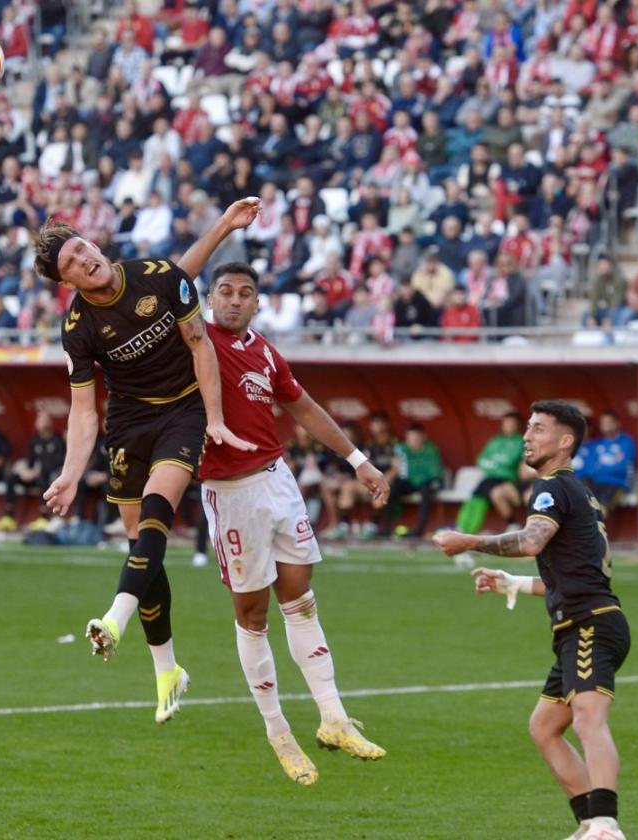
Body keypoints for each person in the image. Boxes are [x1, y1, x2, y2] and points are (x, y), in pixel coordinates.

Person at [39, 198, 260, 724]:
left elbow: (200, 344)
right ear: (66, 281)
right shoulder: (78, 329)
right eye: (70, 263)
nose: (82, 260)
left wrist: (214, 418)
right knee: (144, 544)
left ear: (94, 244)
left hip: (183, 411)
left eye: (81, 248)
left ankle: (115, 617)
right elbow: (83, 410)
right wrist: (70, 474)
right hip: (129, 425)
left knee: (159, 509)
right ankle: (167, 670)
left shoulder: (158, 275)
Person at [200, 261, 389, 785]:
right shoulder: (196, 343)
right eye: (225, 292)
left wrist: (359, 461)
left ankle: (332, 718)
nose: (235, 300)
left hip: (277, 480)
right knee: (252, 612)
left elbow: (305, 409)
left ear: (259, 303)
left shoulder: (264, 351)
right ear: (209, 299)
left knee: (300, 597)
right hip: (230, 491)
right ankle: (278, 731)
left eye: (246, 293)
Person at [435, 401, 630, 840]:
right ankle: (588, 822)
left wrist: (469, 540)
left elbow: (530, 541)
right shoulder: (576, 491)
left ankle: (606, 825)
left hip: (590, 625)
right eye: (527, 427)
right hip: (583, 620)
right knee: (544, 727)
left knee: (587, 718)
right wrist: (513, 584)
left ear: (565, 442)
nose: (527, 435)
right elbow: (571, 574)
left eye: (538, 429)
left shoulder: (552, 489)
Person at [451, 411, 525, 568]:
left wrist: (495, 463)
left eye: (512, 424)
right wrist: (494, 463)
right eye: (506, 423)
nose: (508, 426)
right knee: (475, 497)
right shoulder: (495, 441)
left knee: (484, 496)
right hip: (490, 477)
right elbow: (481, 459)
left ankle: (467, 532)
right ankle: (463, 527)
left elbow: (510, 461)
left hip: (506, 478)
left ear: (517, 426)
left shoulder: (520, 441)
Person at [0, 410, 67, 531]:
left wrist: (38, 471)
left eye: (45, 420)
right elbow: (30, 462)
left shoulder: (58, 440)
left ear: (50, 422)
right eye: (40, 420)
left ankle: (44, 517)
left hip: (51, 478)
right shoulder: (34, 441)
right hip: (35, 476)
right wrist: (26, 472)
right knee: (11, 477)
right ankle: (9, 516)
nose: (42, 424)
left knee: (42, 477)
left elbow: (59, 463)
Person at [575, 411, 636, 517]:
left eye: (608, 422)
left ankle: (597, 531)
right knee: (585, 504)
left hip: (617, 483)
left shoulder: (626, 442)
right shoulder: (598, 443)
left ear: (617, 423)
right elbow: (590, 467)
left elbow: (623, 467)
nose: (605, 425)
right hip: (596, 483)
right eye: (603, 423)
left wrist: (599, 469)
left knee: (601, 507)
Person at [389, 424, 445, 538]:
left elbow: (433, 472)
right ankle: (386, 528)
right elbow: (396, 465)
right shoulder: (401, 448)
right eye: (410, 438)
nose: (413, 441)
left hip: (425, 482)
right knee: (392, 489)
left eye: (416, 438)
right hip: (408, 482)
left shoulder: (431, 449)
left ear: (423, 437)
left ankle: (419, 530)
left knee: (427, 492)